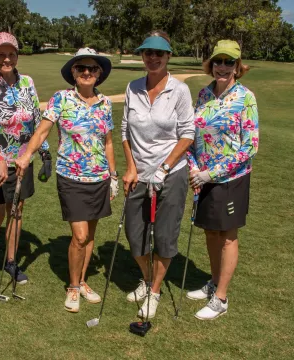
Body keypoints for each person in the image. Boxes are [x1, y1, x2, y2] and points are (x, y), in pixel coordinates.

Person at [16, 48, 118, 313]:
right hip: (71, 176)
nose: (86, 73)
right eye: (81, 68)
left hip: (99, 177)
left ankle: (83, 281)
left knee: (91, 234)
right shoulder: (61, 99)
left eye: (92, 69)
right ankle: (73, 286)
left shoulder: (105, 103)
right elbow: (42, 131)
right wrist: (27, 155)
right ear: (73, 72)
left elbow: (108, 143)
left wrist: (114, 175)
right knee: (80, 235)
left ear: (99, 74)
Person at [121, 30, 195, 319]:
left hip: (172, 173)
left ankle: (154, 291)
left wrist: (164, 168)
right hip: (138, 173)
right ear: (142, 56)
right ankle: (148, 278)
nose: (153, 58)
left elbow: (188, 133)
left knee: (164, 236)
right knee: (134, 232)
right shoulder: (133, 87)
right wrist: (130, 167)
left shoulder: (179, 91)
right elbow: (125, 129)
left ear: (168, 57)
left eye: (159, 54)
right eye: (148, 53)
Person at [186, 40, 259, 320]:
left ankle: (221, 298)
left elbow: (249, 146)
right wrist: (194, 169)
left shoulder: (245, 97)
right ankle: (213, 282)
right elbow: (192, 136)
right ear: (211, 64)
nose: (223, 67)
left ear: (238, 67)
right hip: (202, 178)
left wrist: (211, 173)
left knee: (227, 236)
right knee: (210, 231)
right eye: (218, 61)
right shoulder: (204, 94)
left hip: (231, 179)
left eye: (229, 62)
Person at [0, 32, 49, 287]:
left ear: (17, 55)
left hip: (22, 160)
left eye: (11, 54)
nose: (7, 59)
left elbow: (37, 120)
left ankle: (11, 261)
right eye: (1, 54)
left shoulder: (27, 82)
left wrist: (45, 151)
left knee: (17, 212)